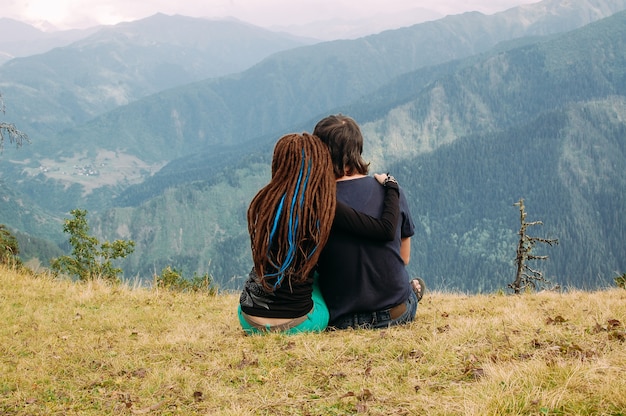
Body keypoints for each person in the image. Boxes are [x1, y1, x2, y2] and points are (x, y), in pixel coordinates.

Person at [238, 132, 403, 334]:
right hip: (298, 325)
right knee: (320, 277)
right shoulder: (322, 207)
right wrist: (392, 188)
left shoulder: (266, 202)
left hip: (247, 319)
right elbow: (384, 229)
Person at [313, 114, 424, 330]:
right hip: (395, 313)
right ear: (358, 150)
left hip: (340, 319)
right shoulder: (392, 191)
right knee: (411, 288)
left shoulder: (316, 202)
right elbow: (404, 257)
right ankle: (411, 292)